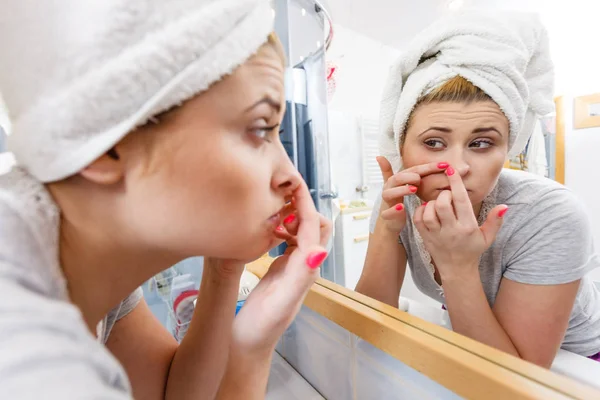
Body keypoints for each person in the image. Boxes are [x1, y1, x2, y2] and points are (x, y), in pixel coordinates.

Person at [0, 0, 331, 398]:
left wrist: (228, 280)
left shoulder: (87, 268)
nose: (292, 177)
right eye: (260, 129)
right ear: (108, 147)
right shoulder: (25, 360)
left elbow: (172, 393)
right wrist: (250, 362)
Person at [356, 10, 600, 368]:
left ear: (508, 149)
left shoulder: (550, 214)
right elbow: (367, 327)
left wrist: (457, 267)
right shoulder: (401, 201)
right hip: (475, 340)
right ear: (400, 145)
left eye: (482, 143)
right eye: (435, 142)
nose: (457, 168)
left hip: (578, 363)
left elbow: (517, 380)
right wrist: (385, 231)